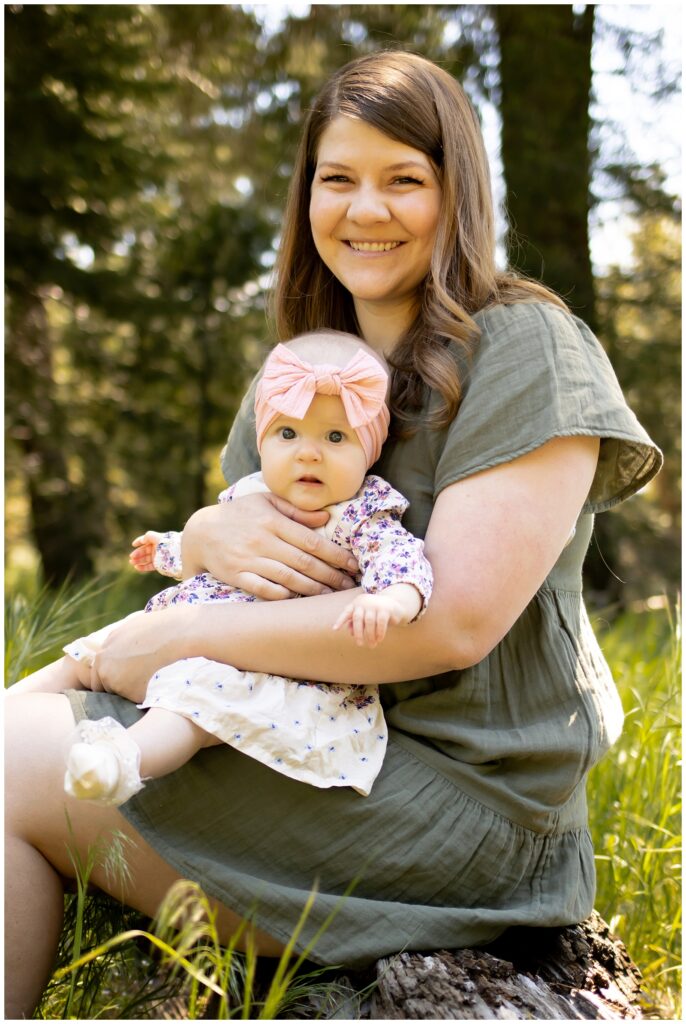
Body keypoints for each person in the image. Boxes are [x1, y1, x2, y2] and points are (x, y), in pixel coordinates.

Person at [4, 50, 662, 1020]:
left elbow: (451, 626)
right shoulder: (299, 371)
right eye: (336, 178)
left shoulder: (525, 346)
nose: (364, 209)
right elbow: (235, 561)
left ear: (459, 195)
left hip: (472, 812)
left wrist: (169, 638)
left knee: (14, 761)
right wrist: (204, 530)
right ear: (305, 194)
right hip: (297, 736)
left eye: (404, 180)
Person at [11, 331, 433, 803]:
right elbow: (213, 556)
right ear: (263, 440)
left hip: (266, 661)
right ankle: (13, 705)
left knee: (193, 698)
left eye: (336, 437)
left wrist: (393, 599)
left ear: (370, 450)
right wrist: (171, 549)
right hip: (194, 624)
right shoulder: (251, 494)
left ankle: (123, 760)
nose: (308, 453)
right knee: (92, 649)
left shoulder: (363, 514)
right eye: (287, 434)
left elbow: (402, 561)